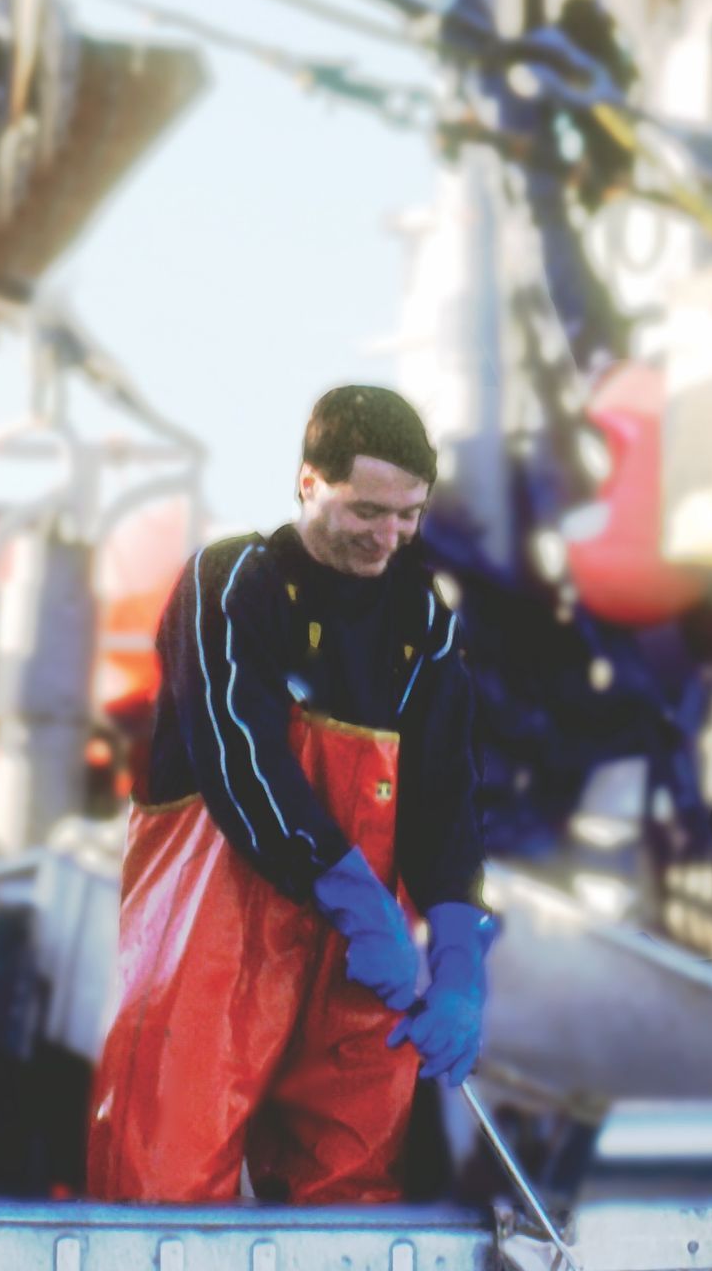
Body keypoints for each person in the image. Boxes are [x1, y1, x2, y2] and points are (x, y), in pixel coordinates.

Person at [87, 384, 492, 1204]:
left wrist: (456, 950)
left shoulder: (425, 624)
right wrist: (354, 894)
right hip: (214, 952)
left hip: (358, 970)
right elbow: (240, 759)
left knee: (350, 1201)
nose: (391, 535)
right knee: (161, 1187)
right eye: (368, 509)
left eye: (409, 513)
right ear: (309, 481)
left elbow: (445, 795)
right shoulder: (230, 583)